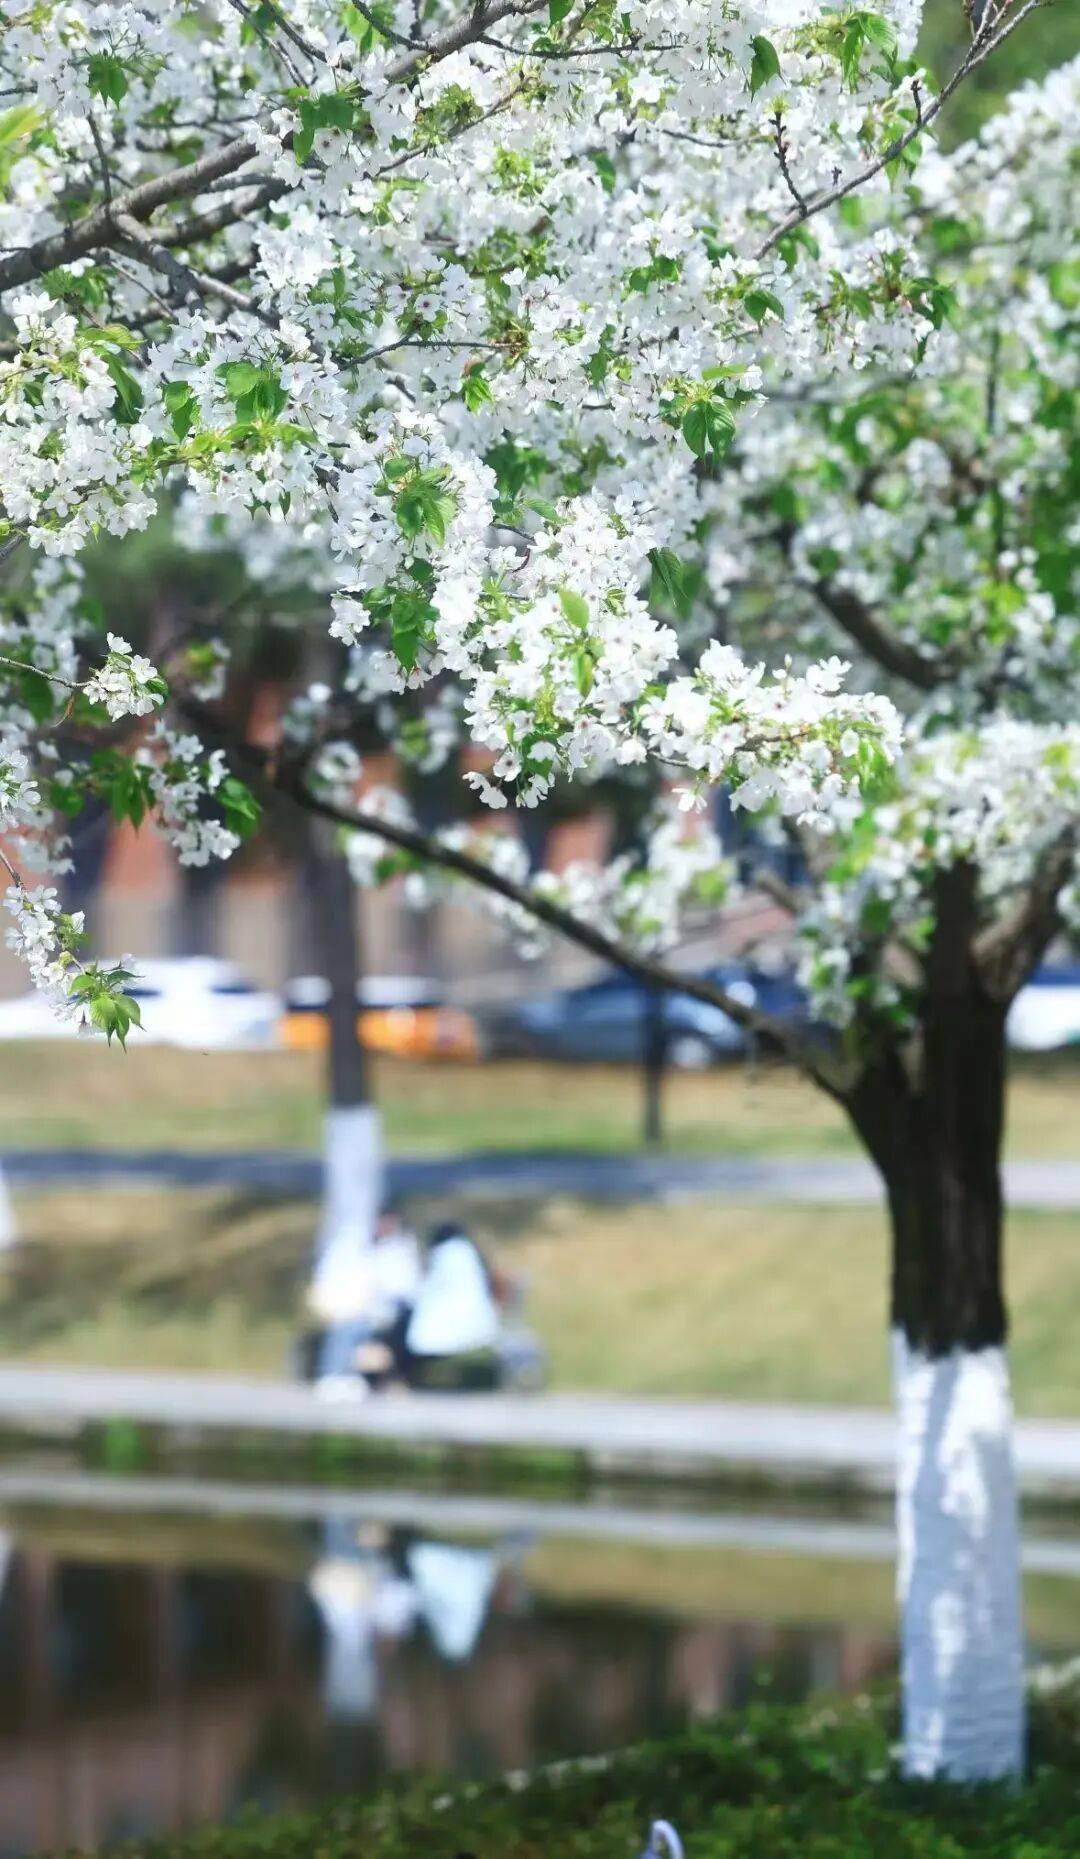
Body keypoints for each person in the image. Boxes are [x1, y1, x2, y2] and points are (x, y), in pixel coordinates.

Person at [404, 1221, 501, 1389]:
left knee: (412, 1331)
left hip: (452, 1319)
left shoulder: (445, 1255)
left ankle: (406, 1379)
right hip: (477, 1318)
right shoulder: (470, 1253)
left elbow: (429, 1288)